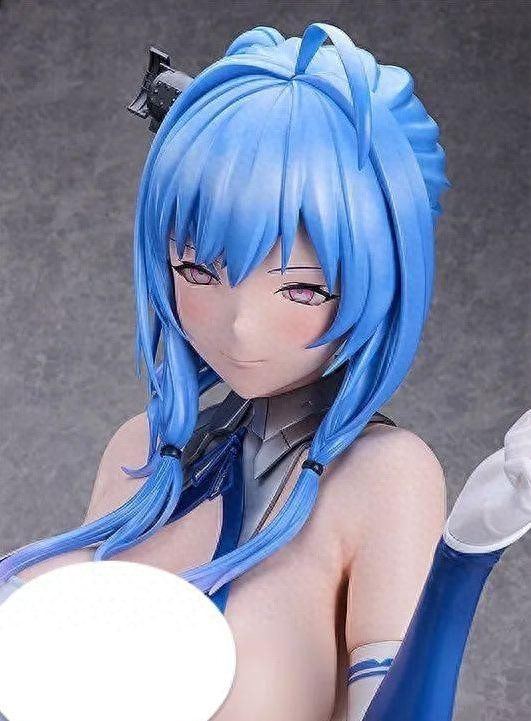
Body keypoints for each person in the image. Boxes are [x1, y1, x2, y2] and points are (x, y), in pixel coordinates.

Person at [0, 22, 529, 721]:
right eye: (198, 271)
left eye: (301, 289)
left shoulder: (382, 477)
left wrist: (463, 561)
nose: (241, 325)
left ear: (382, 281)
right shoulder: (141, 449)